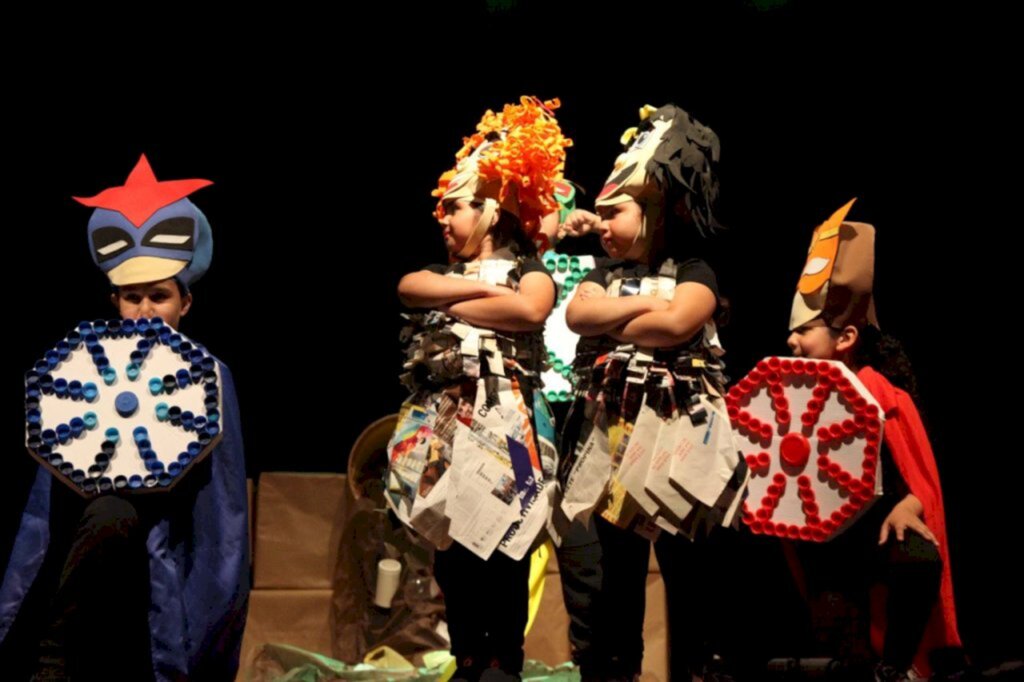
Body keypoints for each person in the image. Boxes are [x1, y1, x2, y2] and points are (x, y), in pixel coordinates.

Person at [0, 154, 249, 681]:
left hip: (172, 534)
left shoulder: (209, 372)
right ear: (114, 300)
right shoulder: (82, 361)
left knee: (117, 515)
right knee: (107, 515)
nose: (143, 310)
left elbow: (220, 508)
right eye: (132, 297)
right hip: (89, 522)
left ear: (186, 301)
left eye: (159, 296)